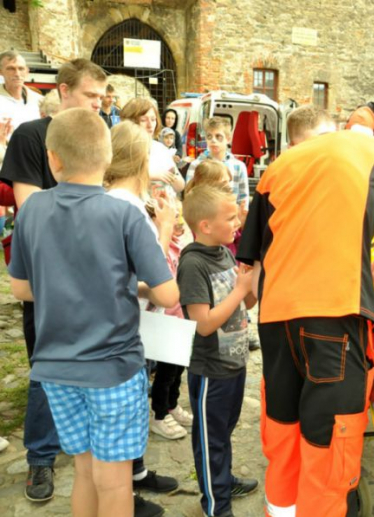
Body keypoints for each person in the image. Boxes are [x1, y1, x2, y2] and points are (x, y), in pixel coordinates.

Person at [236, 107, 374, 517]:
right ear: (339, 129)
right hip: (334, 314)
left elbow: (253, 272)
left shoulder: (276, 169)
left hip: (276, 318)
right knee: (330, 437)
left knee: (284, 428)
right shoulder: (364, 147)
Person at [0, 58, 177, 517]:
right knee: (114, 481)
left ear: (52, 159)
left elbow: (21, 288)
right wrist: (165, 230)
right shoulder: (121, 214)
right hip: (111, 368)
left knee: (83, 471)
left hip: (56, 368)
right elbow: (167, 295)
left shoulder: (33, 210)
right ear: (107, 158)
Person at [103, 121, 191, 441]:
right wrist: (165, 227)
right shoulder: (129, 205)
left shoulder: (110, 197)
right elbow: (153, 271)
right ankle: (132, 470)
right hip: (132, 321)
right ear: (141, 160)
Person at [178, 184, 259, 517]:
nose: (237, 221)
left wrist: (252, 283)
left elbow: (246, 303)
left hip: (234, 365)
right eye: (230, 217)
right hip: (210, 371)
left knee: (222, 434)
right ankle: (217, 505)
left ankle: (222, 481)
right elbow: (205, 324)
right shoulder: (193, 265)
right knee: (210, 441)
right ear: (205, 226)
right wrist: (240, 289)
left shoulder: (225, 252)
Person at [120, 98, 184, 195]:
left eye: (153, 119)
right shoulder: (121, 149)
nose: (150, 125)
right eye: (143, 120)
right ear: (129, 122)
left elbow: (180, 186)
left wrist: (173, 176)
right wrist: (148, 176)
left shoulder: (160, 148)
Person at [187, 117, 249, 212]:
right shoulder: (196, 165)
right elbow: (190, 196)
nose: (213, 140)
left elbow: (243, 199)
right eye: (209, 136)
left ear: (228, 139)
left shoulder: (239, 166)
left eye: (218, 136)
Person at [0, 50, 43, 133]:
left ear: (27, 71)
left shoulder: (40, 101)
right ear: (1, 72)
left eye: (21, 68)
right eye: (11, 69)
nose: (17, 74)